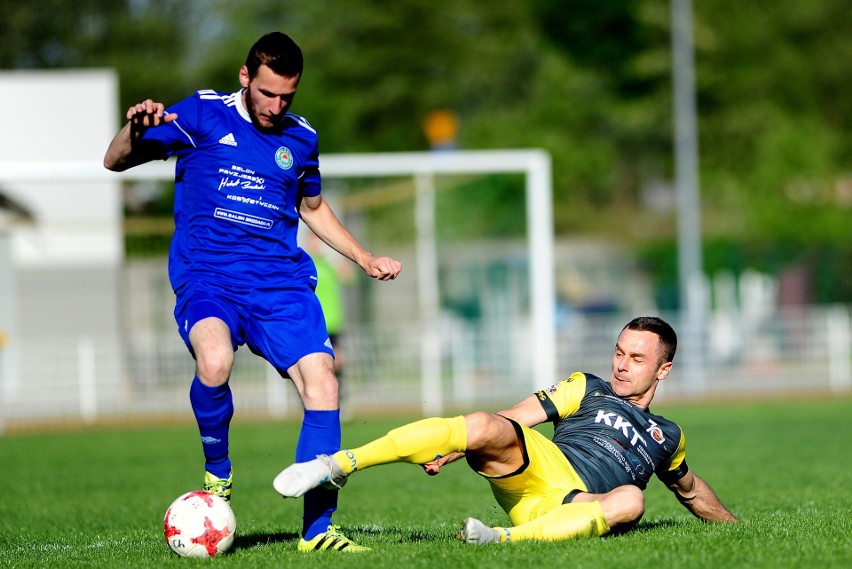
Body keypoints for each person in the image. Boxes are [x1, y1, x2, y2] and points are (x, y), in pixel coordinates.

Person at [104, 31, 402, 553]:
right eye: (268, 93)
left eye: (288, 95)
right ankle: (217, 472)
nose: (276, 105)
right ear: (245, 77)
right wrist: (134, 127)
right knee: (214, 362)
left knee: (324, 382)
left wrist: (363, 256)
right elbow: (114, 160)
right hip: (209, 279)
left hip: (279, 283)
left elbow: (312, 208)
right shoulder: (201, 115)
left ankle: (318, 532)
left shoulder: (301, 137)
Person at [273, 316, 737, 544]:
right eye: (619, 352)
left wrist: (736, 530)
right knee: (479, 422)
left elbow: (691, 491)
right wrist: (461, 445)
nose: (621, 365)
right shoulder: (588, 387)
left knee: (632, 501)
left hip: (573, 505)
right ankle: (337, 464)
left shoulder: (668, 436)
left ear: (664, 369)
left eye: (637, 359)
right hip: (539, 467)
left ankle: (501, 540)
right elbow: (516, 417)